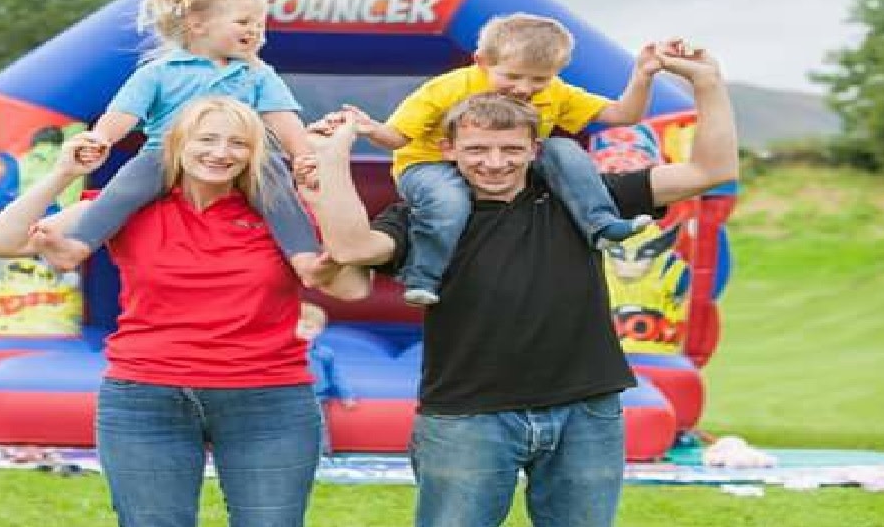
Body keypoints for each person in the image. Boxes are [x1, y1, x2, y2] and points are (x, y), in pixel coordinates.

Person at [306, 41, 738, 527]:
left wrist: (707, 83)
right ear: (448, 149)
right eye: (477, 150)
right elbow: (353, 250)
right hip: (468, 417)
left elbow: (711, 171)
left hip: (585, 411)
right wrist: (332, 158)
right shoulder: (426, 216)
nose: (495, 162)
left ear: (535, 148)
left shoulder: (578, 197)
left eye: (511, 149)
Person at [0, 96, 370, 527]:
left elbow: (352, 288)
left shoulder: (279, 215)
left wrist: (322, 203)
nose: (220, 153)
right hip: (146, 398)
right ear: (178, 144)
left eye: (237, 144)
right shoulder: (128, 208)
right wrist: (62, 174)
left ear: (253, 154)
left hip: (267, 400)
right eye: (207, 139)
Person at [343, 13, 661, 306]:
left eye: (539, 80)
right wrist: (371, 129)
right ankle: (423, 275)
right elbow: (398, 137)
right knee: (449, 199)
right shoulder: (449, 88)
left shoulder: (556, 92)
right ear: (481, 62)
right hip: (431, 164)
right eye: (512, 76)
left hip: (506, 165)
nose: (525, 88)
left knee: (564, 149)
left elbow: (624, 114)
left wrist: (643, 75)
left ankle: (601, 225)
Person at [34, 0, 320, 276]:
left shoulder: (256, 74)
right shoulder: (160, 72)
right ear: (198, 25)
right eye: (244, 22)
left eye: (260, 25)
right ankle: (76, 247)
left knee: (277, 188)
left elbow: (283, 120)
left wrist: (302, 156)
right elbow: (124, 112)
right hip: (165, 152)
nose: (255, 31)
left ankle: (305, 258)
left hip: (240, 155)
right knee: (122, 191)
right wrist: (102, 138)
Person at [296, 302, 357, 457]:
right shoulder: (285, 350)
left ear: (319, 330)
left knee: (320, 424)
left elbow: (335, 375)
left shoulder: (324, 353)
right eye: (299, 326)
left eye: (309, 327)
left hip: (317, 395)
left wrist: (347, 395)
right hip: (292, 395)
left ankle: (322, 452)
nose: (303, 331)